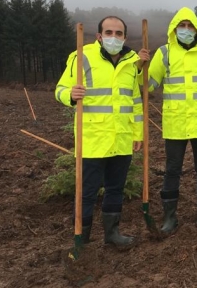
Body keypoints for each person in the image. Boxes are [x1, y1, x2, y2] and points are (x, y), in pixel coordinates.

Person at [55, 16, 150, 246]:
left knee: (115, 188)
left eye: (119, 33)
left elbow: (135, 102)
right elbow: (59, 89)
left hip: (121, 139)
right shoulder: (82, 57)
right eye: (109, 33)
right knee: (87, 192)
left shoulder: (130, 63)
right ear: (99, 36)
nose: (114, 37)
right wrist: (69, 95)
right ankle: (82, 240)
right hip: (92, 139)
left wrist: (138, 133)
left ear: (125, 37)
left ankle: (112, 234)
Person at [148, 7, 197, 235]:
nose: (185, 30)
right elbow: (149, 85)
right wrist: (140, 69)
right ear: (174, 30)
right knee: (172, 170)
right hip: (175, 124)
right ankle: (169, 218)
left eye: (189, 25)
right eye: (181, 26)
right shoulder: (164, 53)